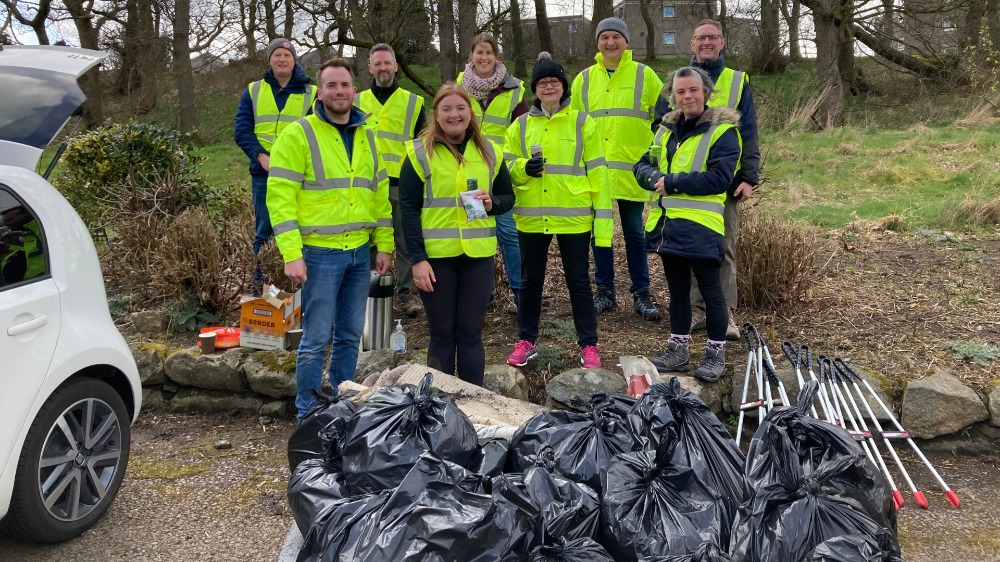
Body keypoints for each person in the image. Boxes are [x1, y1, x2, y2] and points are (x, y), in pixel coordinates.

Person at [266, 58, 393, 418]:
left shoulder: (368, 136)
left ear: (355, 90)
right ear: (320, 93)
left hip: (358, 252)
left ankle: (341, 406)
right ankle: (307, 412)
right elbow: (280, 198)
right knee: (315, 339)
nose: (340, 91)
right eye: (332, 86)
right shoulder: (298, 134)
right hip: (319, 253)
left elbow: (378, 194)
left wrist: (384, 244)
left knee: (351, 337)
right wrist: (292, 253)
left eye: (345, 85)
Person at [399, 83, 515, 385]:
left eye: (460, 108)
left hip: (477, 257)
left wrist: (492, 204)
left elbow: (508, 197)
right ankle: (438, 407)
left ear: (470, 113)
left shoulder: (491, 152)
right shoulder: (418, 154)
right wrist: (417, 259)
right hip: (436, 261)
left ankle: (474, 404)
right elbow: (408, 210)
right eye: (446, 109)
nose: (454, 115)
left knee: (470, 334)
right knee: (441, 334)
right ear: (435, 114)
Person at [653, 19, 761, 340]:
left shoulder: (737, 81)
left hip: (721, 183)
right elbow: (659, 128)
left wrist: (748, 177)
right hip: (680, 184)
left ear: (723, 42)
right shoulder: (675, 81)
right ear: (692, 44)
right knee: (683, 250)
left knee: (723, 246)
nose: (706, 43)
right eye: (701, 38)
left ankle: (722, 312)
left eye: (713, 37)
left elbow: (750, 132)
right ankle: (693, 310)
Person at [503, 53, 612, 370]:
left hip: (573, 216)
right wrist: (524, 168)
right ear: (535, 88)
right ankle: (526, 341)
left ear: (563, 87)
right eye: (542, 82)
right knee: (529, 281)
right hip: (532, 218)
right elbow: (506, 167)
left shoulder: (583, 123)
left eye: (554, 81)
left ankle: (589, 345)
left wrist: (603, 231)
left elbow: (599, 175)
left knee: (578, 282)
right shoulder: (520, 125)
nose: (548, 86)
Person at [633, 67, 742, 382]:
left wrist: (673, 182)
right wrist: (654, 178)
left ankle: (714, 353)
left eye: (693, 90)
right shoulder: (665, 130)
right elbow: (641, 165)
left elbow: (720, 178)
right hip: (669, 226)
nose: (687, 97)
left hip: (702, 226)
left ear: (705, 92)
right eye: (680, 92)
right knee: (678, 292)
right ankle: (678, 351)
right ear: (673, 97)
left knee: (712, 292)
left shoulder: (723, 132)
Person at [571, 17, 663, 322]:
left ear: (626, 42)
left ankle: (642, 293)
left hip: (633, 172)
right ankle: (605, 294)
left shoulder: (645, 75)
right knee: (602, 235)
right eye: (604, 37)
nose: (610, 43)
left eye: (616, 37)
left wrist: (655, 159)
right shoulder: (583, 79)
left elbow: (663, 120)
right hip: (597, 173)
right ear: (597, 43)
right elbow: (574, 126)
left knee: (635, 234)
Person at [234, 38, 317, 294]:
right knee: (265, 230)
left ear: (295, 61)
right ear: (269, 60)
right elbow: (242, 130)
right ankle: (262, 283)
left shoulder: (311, 93)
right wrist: (261, 156)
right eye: (277, 55)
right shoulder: (254, 91)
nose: (282, 59)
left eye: (287, 55)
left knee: (301, 228)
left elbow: (317, 133)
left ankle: (299, 283)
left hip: (300, 175)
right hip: (263, 173)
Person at [354, 43, 427, 317]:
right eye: (378, 63)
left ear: (396, 66)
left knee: (405, 239)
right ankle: (373, 290)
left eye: (388, 63)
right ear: (370, 67)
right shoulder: (357, 101)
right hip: (366, 184)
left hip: (401, 183)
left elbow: (423, 145)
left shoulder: (414, 102)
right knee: (369, 239)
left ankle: (406, 294)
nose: (383, 68)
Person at [458, 32, 525, 305]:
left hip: (502, 172)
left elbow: (523, 131)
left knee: (508, 232)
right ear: (471, 56)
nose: (484, 57)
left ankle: (521, 291)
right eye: (479, 52)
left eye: (489, 52)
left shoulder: (514, 88)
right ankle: (483, 292)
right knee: (477, 229)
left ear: (496, 56)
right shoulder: (459, 87)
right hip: (470, 169)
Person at [0, 205, 43, 285]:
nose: (7, 224)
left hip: (45, 286)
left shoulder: (43, 230)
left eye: (10, 219)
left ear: (28, 214)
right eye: (5, 222)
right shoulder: (23, 241)